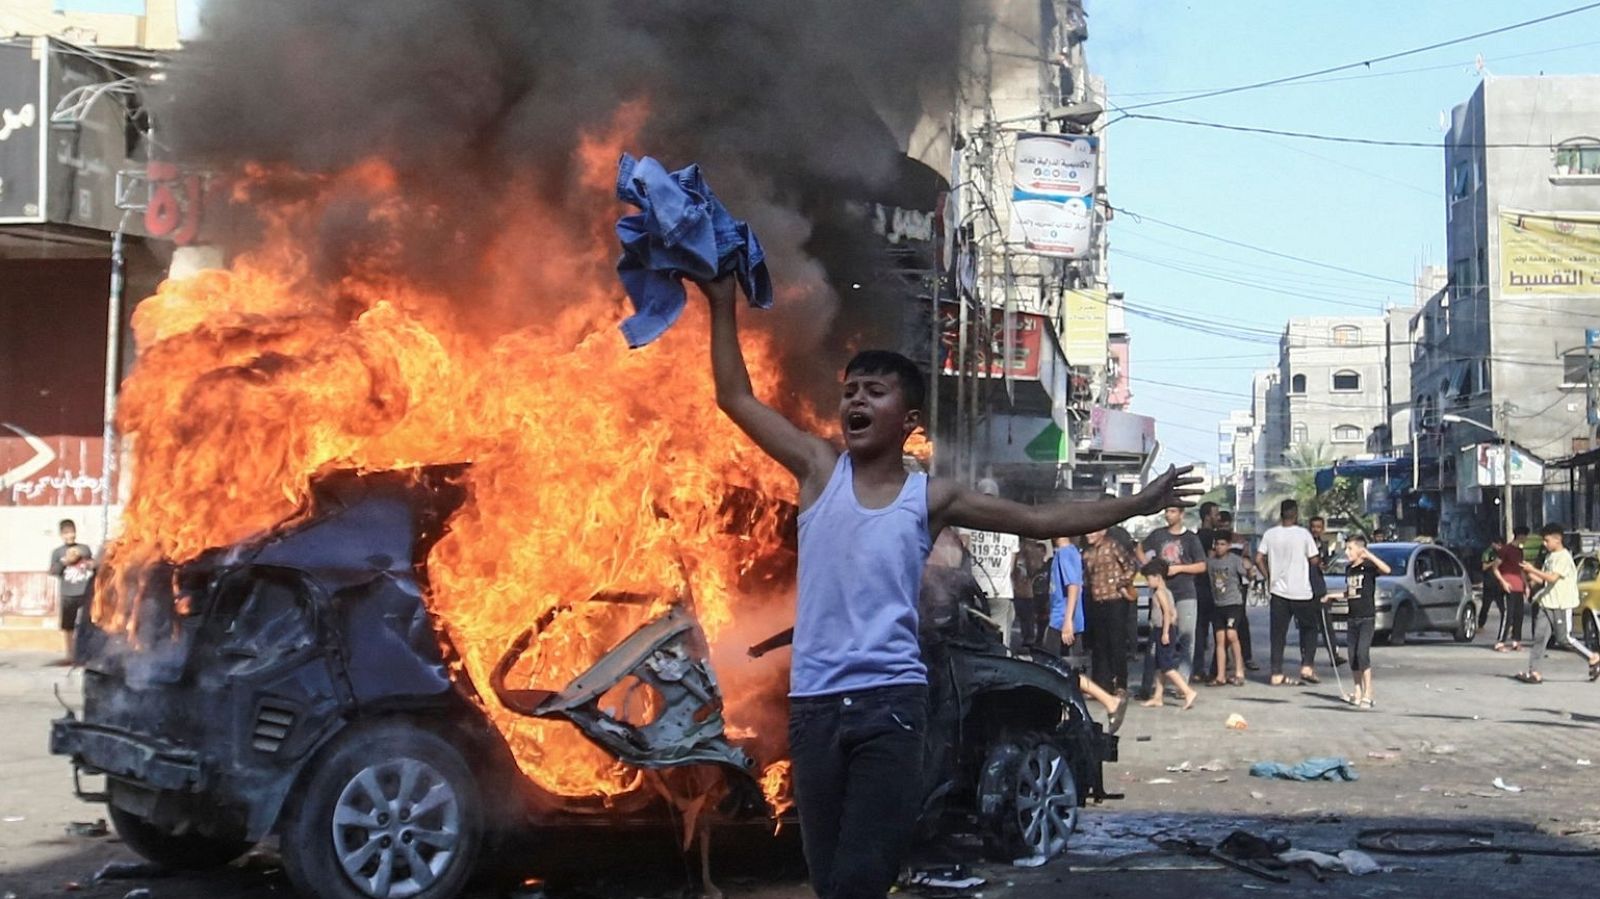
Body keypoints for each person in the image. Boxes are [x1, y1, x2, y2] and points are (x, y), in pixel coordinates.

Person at [699, 276, 1198, 899]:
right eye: (850, 391)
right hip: (816, 709)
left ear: (908, 421)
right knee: (829, 883)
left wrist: (1134, 505)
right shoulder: (817, 469)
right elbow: (735, 396)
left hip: (891, 708)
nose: (856, 399)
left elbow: (1041, 520)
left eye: (874, 392)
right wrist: (722, 304)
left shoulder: (929, 498)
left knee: (860, 878)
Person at [1516, 523, 1600, 684]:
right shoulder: (1550, 557)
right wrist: (1527, 574)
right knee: (1540, 638)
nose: (1544, 544)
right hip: (1546, 602)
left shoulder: (1564, 557)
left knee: (1564, 638)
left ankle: (1593, 657)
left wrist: (1532, 570)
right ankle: (1534, 672)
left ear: (1557, 539)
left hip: (1561, 604)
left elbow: (1553, 578)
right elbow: (1543, 580)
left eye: (1547, 540)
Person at [1139, 507, 1205, 693]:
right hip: (1162, 591)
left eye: (1173, 511)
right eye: (1167, 511)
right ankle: (1149, 686)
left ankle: (1181, 684)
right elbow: (1139, 548)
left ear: (1182, 515)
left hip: (1185, 592)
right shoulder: (1157, 535)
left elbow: (1201, 566)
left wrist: (1180, 569)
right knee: (1156, 637)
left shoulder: (1191, 538)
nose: (1169, 515)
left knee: (1186, 637)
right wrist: (1148, 566)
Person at [1257, 500, 1322, 686]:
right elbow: (1314, 560)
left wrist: (1269, 576)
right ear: (1296, 514)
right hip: (1301, 591)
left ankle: (1276, 673)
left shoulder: (1270, 534)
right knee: (1309, 629)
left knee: (1278, 634)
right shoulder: (1304, 534)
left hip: (1278, 591)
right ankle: (1307, 666)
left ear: (1281, 514)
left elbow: (1258, 558)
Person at [1082, 527, 1138, 695]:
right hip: (1097, 601)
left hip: (1115, 601)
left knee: (1117, 643)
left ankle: (1121, 684)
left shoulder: (1113, 546)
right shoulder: (1087, 553)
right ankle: (1102, 684)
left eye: (1092, 532)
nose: (1089, 534)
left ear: (1103, 532)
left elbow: (1131, 566)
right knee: (1100, 645)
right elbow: (1087, 577)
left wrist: (1121, 583)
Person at [1138, 559, 1198, 710]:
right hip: (1163, 629)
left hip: (1162, 630)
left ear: (1157, 577)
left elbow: (1166, 613)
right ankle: (1158, 696)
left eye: (1149, 579)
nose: (1147, 582)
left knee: (1167, 666)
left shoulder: (1160, 593)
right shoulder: (1168, 592)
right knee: (1159, 665)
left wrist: (1165, 632)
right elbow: (1173, 613)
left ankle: (1187, 691)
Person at [1340, 535, 1391, 708]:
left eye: (1350, 549)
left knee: (1362, 654)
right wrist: (1332, 596)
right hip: (1352, 617)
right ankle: (1358, 690)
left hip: (1366, 617)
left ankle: (1369, 692)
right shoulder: (1349, 569)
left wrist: (1369, 555)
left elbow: (1387, 570)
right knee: (1352, 656)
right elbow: (1350, 592)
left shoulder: (1368, 567)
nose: (1347, 552)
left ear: (1360, 550)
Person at [960, 514, 1020, 650]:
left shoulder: (968, 523)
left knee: (973, 634)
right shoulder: (1010, 529)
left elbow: (961, 551)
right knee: (999, 637)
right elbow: (1011, 567)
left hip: (973, 590)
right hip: (1000, 590)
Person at [1205, 532, 1254, 686]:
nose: (1219, 547)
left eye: (1223, 544)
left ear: (1228, 546)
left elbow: (1248, 575)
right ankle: (1220, 675)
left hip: (1233, 603)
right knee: (1220, 639)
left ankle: (1239, 671)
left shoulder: (1235, 560)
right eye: (1217, 544)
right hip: (1218, 604)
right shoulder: (1210, 562)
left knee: (1232, 635)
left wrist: (1250, 570)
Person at [49, 519, 95, 664]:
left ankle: (86, 653)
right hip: (68, 594)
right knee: (68, 626)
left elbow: (93, 565)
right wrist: (65, 561)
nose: (70, 535)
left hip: (84, 592)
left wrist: (85, 561)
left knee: (87, 624)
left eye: (72, 532)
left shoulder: (84, 549)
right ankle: (70, 654)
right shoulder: (57, 552)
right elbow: (54, 571)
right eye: (66, 533)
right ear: (61, 535)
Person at [1218, 511, 1258, 670]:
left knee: (1240, 621)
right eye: (1221, 526)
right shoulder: (1216, 542)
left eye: (1226, 525)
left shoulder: (1239, 540)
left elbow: (1247, 559)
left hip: (1239, 583)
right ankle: (1224, 659)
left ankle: (1246, 657)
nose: (1224, 528)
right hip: (1221, 585)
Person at [1307, 516, 1345, 668]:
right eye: (1313, 526)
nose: (1315, 529)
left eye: (1318, 527)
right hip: (1305, 589)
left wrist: (1324, 565)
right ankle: (1307, 659)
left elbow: (1323, 564)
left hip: (1319, 588)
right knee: (1308, 626)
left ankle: (1333, 655)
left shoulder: (1323, 545)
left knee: (1326, 625)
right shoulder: (1304, 543)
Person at [1191, 502, 1223, 680]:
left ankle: (1198, 668)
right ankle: (1215, 669)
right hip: (1209, 588)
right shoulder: (1211, 538)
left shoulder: (1196, 537)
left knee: (1200, 630)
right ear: (1208, 517)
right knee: (1218, 629)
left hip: (1199, 587)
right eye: (1216, 514)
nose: (1219, 518)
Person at [1045, 536, 1085, 659]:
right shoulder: (1063, 553)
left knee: (1056, 668)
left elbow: (1073, 586)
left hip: (1062, 621)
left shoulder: (1065, 553)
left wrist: (1068, 621)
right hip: (1059, 618)